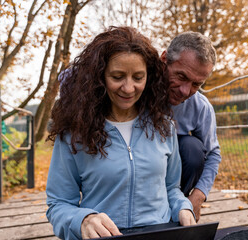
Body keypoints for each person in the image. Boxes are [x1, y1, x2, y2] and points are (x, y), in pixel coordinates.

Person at [46, 26, 195, 240]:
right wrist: (83, 220)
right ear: (100, 77)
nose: (128, 88)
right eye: (117, 76)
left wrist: (183, 207)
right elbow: (58, 204)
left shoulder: (164, 127)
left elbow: (171, 188)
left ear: (149, 77)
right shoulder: (74, 135)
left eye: (138, 77)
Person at [160, 31, 221, 222]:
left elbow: (213, 154)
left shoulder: (200, 106)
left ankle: (175, 208)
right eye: (181, 76)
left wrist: (198, 195)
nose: (186, 91)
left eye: (196, 84)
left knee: (193, 148)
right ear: (164, 60)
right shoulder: (133, 88)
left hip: (171, 177)